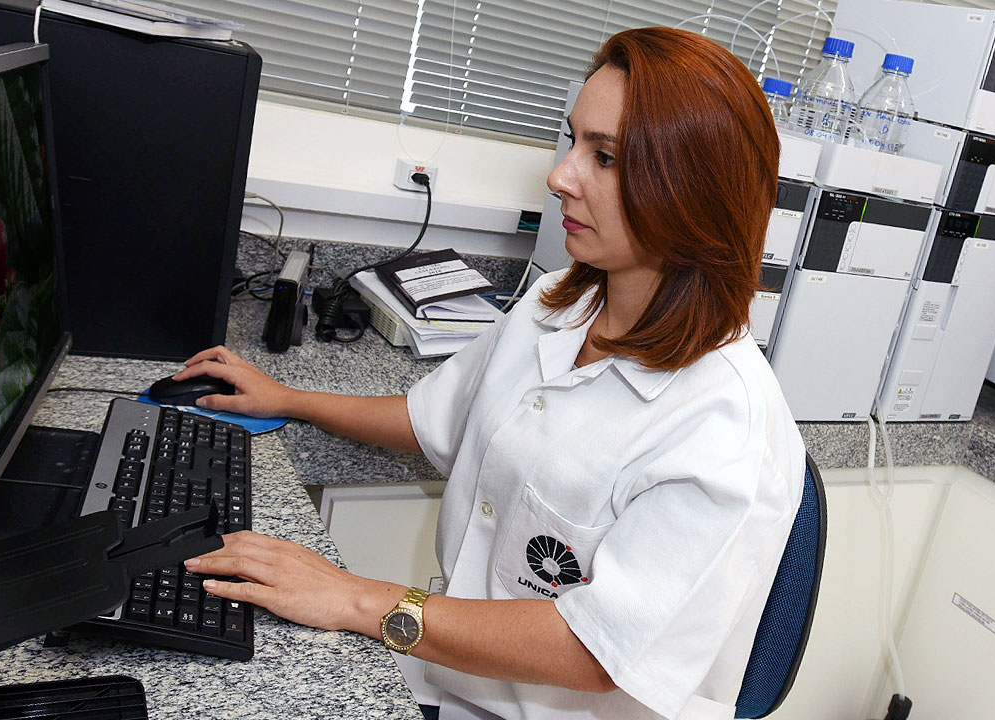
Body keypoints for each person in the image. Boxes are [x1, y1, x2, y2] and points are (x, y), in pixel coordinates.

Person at [177, 26, 805, 720]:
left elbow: (592, 651)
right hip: (450, 682)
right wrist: (290, 399)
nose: (561, 176)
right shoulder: (557, 302)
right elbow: (433, 416)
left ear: (695, 191)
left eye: (606, 157)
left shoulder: (726, 424)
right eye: (574, 142)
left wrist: (353, 597)